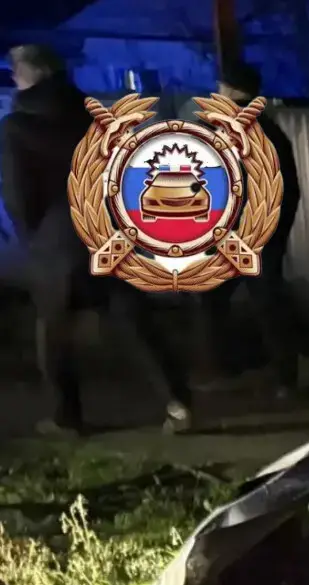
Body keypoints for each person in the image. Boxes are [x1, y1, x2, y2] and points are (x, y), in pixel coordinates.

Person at [2, 44, 194, 435]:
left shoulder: (17, 126)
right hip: (105, 230)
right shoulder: (94, 115)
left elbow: (18, 193)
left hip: (56, 239)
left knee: (53, 331)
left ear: (31, 74)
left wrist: (36, 235)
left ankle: (66, 417)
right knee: (134, 320)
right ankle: (178, 403)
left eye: (16, 71)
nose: (13, 78)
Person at [196, 60, 302, 391]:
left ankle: (223, 370)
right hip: (262, 234)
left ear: (228, 90)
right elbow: (290, 188)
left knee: (210, 301)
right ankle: (286, 379)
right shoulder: (270, 130)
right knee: (269, 304)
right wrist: (278, 233)